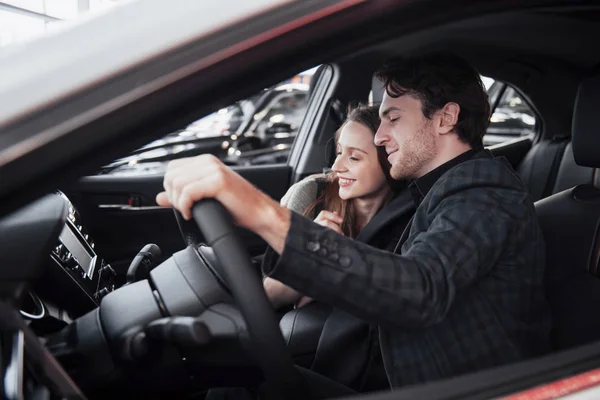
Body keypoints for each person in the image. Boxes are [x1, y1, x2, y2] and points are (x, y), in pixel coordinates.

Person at [157, 52, 551, 397]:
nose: (379, 137)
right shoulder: (434, 191)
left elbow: (420, 290)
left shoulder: (483, 191)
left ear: (446, 117)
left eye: (392, 118)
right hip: (403, 378)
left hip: (452, 389)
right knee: (238, 378)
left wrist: (263, 214)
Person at [264, 104, 405, 310]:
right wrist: (311, 255)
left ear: (390, 160)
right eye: (339, 152)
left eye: (354, 157)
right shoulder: (311, 194)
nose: (337, 166)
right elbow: (268, 296)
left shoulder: (408, 213)